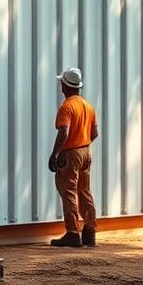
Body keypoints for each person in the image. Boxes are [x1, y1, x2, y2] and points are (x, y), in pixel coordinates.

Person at [47, 67, 98, 248]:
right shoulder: (88, 106)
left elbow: (63, 131)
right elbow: (95, 133)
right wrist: (83, 144)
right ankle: (90, 232)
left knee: (68, 191)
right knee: (84, 191)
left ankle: (72, 233)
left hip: (71, 153)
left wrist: (56, 153)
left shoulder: (67, 106)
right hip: (86, 151)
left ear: (65, 86)